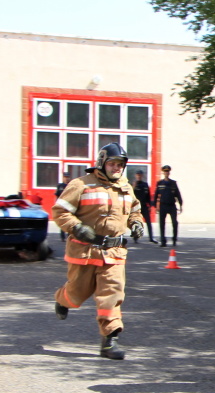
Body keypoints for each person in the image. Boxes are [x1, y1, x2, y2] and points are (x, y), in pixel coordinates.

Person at [52, 143, 145, 360]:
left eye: (121, 165)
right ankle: (62, 300)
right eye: (113, 164)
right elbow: (60, 212)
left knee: (111, 295)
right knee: (77, 294)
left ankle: (109, 340)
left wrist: (137, 223)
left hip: (114, 253)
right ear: (102, 163)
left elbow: (135, 210)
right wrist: (76, 228)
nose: (117, 168)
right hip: (85, 251)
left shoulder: (126, 187)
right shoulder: (80, 185)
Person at [153, 165, 183, 247]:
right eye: (165, 171)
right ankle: (163, 241)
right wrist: (155, 206)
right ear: (163, 173)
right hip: (163, 206)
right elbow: (156, 195)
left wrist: (180, 205)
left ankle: (174, 239)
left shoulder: (173, 183)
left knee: (174, 223)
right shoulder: (160, 183)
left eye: (167, 171)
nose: (166, 173)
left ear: (169, 173)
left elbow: (178, 195)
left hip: (172, 206)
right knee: (162, 224)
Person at [132, 170, 157, 244]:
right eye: (137, 175)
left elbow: (148, 196)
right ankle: (135, 238)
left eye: (140, 175)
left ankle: (151, 238)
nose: (139, 176)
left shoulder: (145, 185)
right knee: (136, 222)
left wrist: (149, 205)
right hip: (136, 207)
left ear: (142, 176)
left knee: (149, 223)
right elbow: (130, 195)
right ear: (136, 176)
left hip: (144, 206)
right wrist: (133, 187)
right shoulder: (133, 184)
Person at [55, 171, 71, 242]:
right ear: (63, 177)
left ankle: (69, 236)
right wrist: (56, 205)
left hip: (70, 205)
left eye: (68, 177)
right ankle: (62, 237)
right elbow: (57, 196)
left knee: (70, 221)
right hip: (61, 205)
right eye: (65, 177)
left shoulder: (71, 185)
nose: (66, 179)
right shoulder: (60, 186)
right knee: (62, 221)